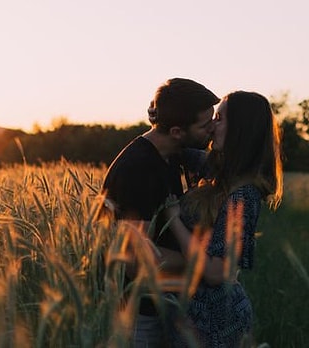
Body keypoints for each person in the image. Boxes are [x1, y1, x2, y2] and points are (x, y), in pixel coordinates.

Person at [100, 78, 220, 347]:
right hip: (139, 314)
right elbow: (132, 256)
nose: (212, 128)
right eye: (205, 124)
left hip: (167, 305)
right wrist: (201, 264)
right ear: (177, 131)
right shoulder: (138, 169)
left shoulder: (173, 152)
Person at [165, 91, 284, 347]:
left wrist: (173, 219)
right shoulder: (218, 171)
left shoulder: (244, 194)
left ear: (239, 130)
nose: (212, 124)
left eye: (219, 118)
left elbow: (216, 272)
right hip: (192, 316)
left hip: (217, 322)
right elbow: (176, 144)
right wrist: (163, 116)